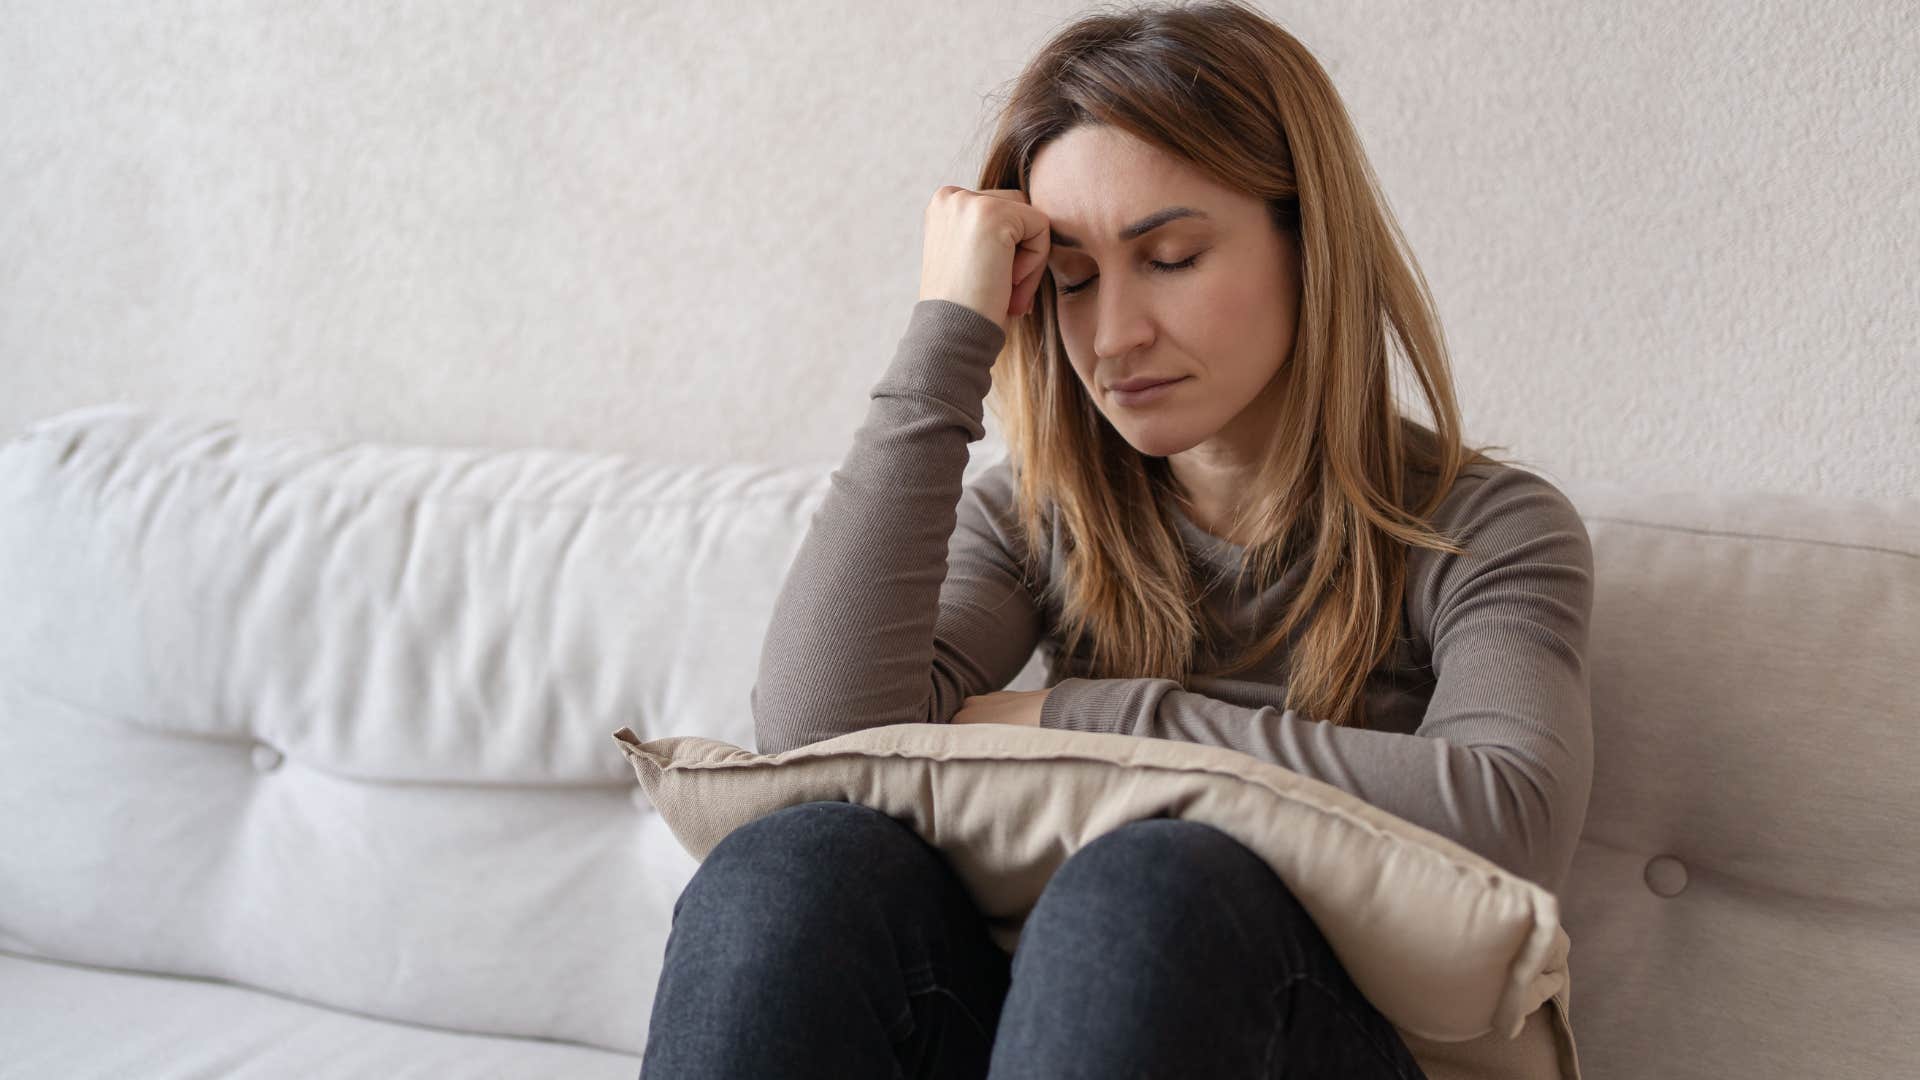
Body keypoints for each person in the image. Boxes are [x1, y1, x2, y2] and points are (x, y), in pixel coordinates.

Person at [640, 1, 1594, 1076]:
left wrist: (1066, 718)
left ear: (1310, 245)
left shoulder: (1483, 529)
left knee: (1149, 889)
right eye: (1074, 280)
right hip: (1068, 1033)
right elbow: (818, 740)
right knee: (790, 866)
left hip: (1309, 1036)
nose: (1112, 336)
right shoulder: (1039, 518)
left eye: (1173, 256)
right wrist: (949, 330)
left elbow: (1508, 820)